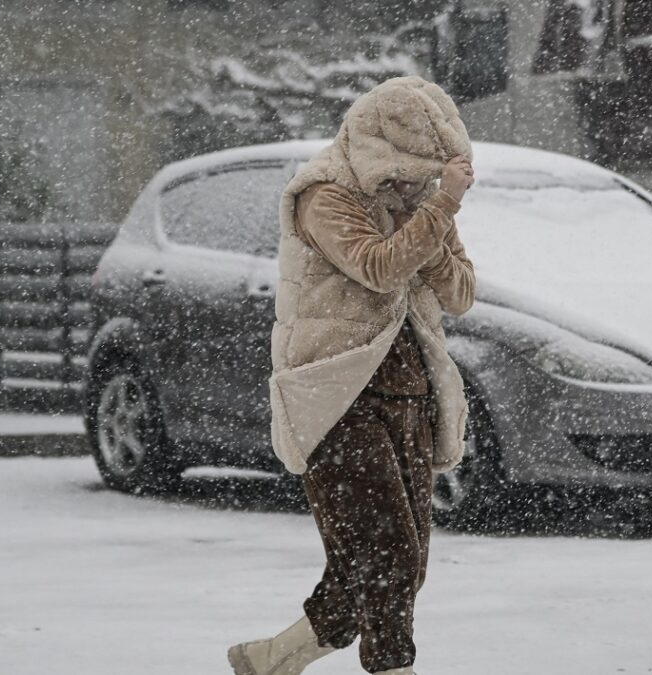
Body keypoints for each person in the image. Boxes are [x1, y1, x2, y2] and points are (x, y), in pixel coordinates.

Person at [227, 76, 476, 675]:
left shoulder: (418, 206)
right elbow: (377, 268)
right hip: (336, 398)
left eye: (425, 176)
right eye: (406, 173)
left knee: (395, 561)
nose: (412, 186)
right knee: (386, 553)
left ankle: (271, 660)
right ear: (376, 151)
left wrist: (431, 219)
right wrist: (440, 208)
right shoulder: (324, 196)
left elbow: (461, 293)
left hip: (410, 393)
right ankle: (393, 667)